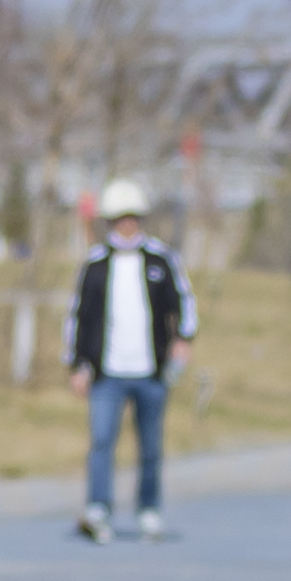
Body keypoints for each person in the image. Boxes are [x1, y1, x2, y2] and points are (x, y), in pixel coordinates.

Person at [65, 177, 197, 544]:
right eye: (120, 218)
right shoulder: (95, 264)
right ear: (110, 221)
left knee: (150, 446)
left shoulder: (161, 260)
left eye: (132, 218)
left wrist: (182, 340)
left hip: (150, 372)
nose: (127, 225)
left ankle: (149, 510)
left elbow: (183, 303)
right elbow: (78, 316)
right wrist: (77, 364)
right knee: (101, 442)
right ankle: (98, 509)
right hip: (106, 372)